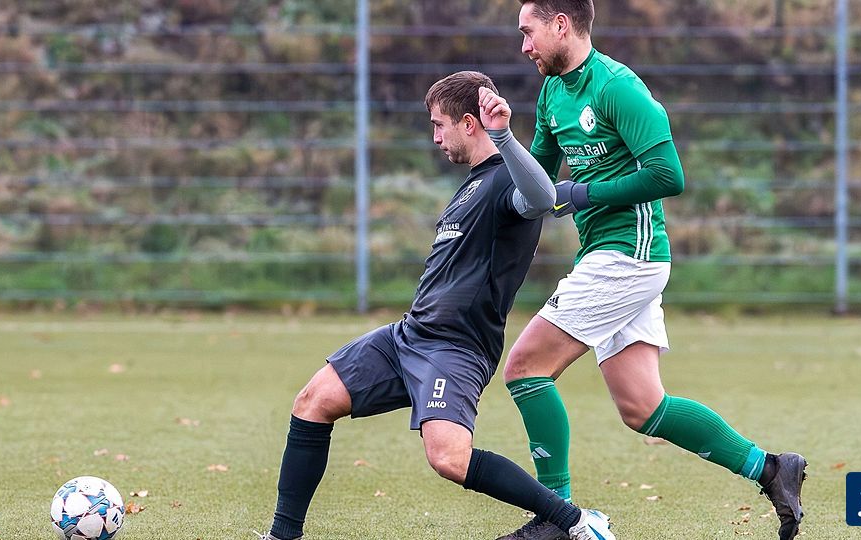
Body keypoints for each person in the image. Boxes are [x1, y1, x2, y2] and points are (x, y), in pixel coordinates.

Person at [255, 71, 614, 540]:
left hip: (456, 347)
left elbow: (544, 196)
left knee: (449, 458)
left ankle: (577, 523)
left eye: (440, 125)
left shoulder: (507, 182)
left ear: (469, 123)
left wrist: (504, 135)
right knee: (313, 401)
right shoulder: (472, 184)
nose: (436, 137)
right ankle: (282, 536)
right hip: (409, 335)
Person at [495, 2, 807, 540]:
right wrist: (495, 144)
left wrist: (582, 192)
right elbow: (538, 184)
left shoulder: (618, 88)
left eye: (529, 32)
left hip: (629, 255)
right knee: (643, 407)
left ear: (561, 24)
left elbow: (669, 175)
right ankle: (772, 469)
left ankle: (556, 517)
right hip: (606, 255)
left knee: (525, 368)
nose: (524, 46)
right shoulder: (551, 93)